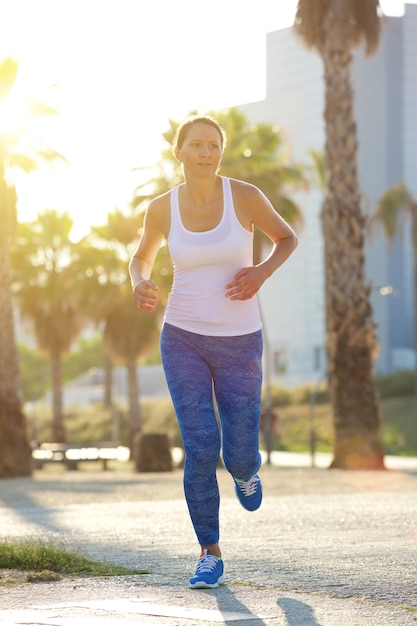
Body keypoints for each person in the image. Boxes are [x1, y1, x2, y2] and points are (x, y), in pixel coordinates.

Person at [129, 115, 298, 589]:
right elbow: (141, 255)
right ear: (178, 151)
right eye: (197, 144)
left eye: (214, 145)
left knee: (238, 450)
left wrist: (261, 272)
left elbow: (287, 238)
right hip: (182, 335)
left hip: (240, 341)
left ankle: (247, 471)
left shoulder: (243, 196)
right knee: (201, 445)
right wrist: (140, 280)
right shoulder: (162, 208)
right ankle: (209, 552)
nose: (206, 152)